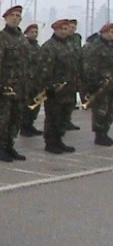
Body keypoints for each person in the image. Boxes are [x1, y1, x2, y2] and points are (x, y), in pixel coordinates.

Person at [0, 5, 29, 162]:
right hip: (5, 87)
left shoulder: (21, 38)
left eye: (18, 15)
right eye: (12, 15)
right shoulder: (1, 37)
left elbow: (26, 63)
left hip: (19, 86)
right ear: (5, 18)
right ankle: (1, 148)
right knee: (3, 118)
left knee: (16, 118)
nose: (15, 18)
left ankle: (10, 146)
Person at [39, 19, 80, 154]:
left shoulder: (71, 45)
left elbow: (76, 65)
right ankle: (50, 142)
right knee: (53, 116)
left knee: (64, 116)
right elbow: (44, 69)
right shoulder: (49, 47)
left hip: (69, 88)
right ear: (55, 30)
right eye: (61, 29)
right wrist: (48, 86)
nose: (64, 32)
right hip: (55, 89)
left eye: (66, 29)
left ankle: (59, 140)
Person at [81, 22, 113, 146]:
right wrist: (92, 84)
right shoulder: (96, 47)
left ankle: (105, 131)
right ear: (104, 32)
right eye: (111, 32)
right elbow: (89, 67)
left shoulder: (111, 46)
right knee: (100, 110)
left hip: (110, 84)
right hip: (100, 85)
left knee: (110, 110)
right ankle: (99, 134)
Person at [20, 23, 44, 137]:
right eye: (32, 32)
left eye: (36, 32)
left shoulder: (37, 46)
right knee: (27, 105)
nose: (34, 34)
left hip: (37, 80)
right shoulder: (24, 45)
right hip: (27, 80)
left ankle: (30, 124)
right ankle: (24, 127)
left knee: (35, 104)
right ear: (27, 33)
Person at [65, 19, 82, 130]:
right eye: (70, 27)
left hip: (74, 72)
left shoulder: (77, 38)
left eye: (74, 27)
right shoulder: (63, 40)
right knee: (63, 101)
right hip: (64, 74)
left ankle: (67, 120)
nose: (72, 29)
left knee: (72, 99)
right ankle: (62, 122)